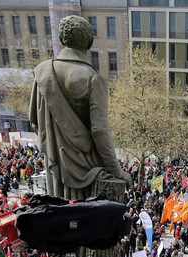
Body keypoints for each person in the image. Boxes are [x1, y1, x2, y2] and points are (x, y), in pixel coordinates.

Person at [29, 15, 131, 200]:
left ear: (62, 40)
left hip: (56, 165)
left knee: (60, 215)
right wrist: (117, 171)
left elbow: (35, 123)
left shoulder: (41, 73)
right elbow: (100, 130)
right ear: (89, 43)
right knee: (82, 220)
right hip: (86, 169)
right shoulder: (93, 79)